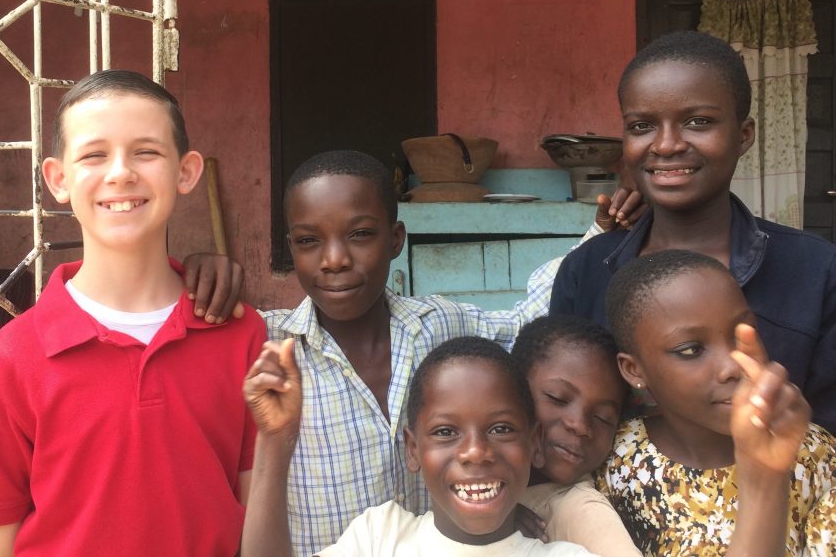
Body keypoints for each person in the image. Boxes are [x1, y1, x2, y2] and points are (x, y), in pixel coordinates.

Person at [183, 150, 641, 556]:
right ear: (291, 249)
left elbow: (530, 323)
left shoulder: (438, 326)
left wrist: (599, 233)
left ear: (397, 239)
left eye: (360, 234)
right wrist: (192, 277)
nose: (335, 258)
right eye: (309, 241)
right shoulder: (266, 346)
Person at [0, 70, 266, 556]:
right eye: (94, 155)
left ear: (186, 171)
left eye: (146, 151)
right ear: (57, 179)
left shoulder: (239, 332)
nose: (120, 172)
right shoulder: (12, 359)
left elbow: (255, 516)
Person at [549, 30, 836, 434]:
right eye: (642, 125)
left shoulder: (815, 270)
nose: (665, 145)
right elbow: (559, 420)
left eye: (698, 121)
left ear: (744, 135)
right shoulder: (587, 271)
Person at [243, 335, 599, 556]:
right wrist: (276, 440)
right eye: (446, 432)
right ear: (412, 449)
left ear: (534, 442)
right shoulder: (379, 539)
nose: (475, 452)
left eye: (501, 428)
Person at [599, 249, 834, 556]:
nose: (732, 366)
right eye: (690, 350)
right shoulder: (615, 464)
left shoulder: (814, 456)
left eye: (741, 335)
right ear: (634, 369)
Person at [511, 315, 640, 556]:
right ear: (511, 390)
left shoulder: (584, 513)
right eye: (557, 397)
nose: (579, 425)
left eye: (602, 417)